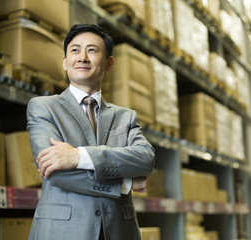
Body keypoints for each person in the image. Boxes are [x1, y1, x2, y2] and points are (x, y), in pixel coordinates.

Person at [26, 24, 155, 240]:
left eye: (92, 50)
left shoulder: (125, 117)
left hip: (119, 232)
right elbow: (55, 172)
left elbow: (145, 159)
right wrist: (125, 184)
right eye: (75, 50)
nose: (82, 57)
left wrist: (78, 156)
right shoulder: (43, 107)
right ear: (65, 62)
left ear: (109, 63)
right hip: (62, 233)